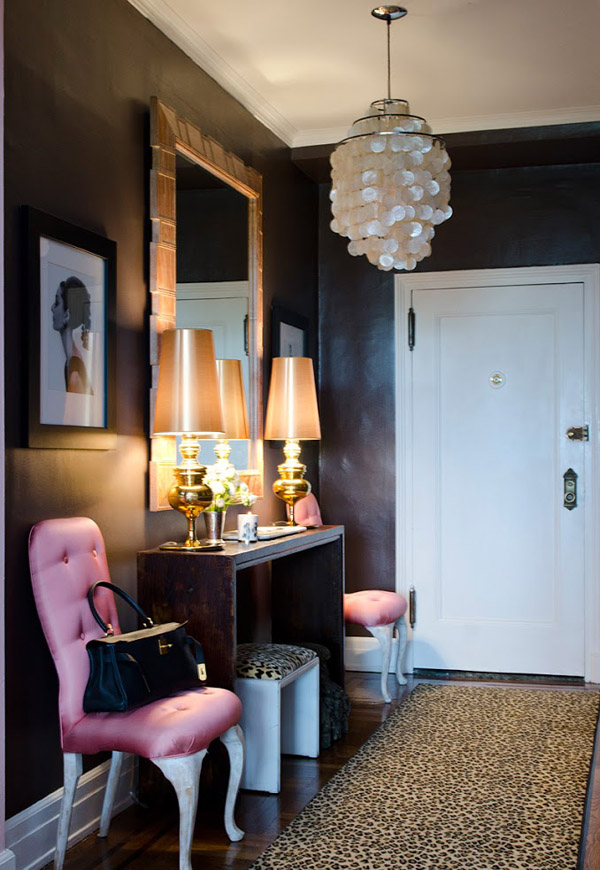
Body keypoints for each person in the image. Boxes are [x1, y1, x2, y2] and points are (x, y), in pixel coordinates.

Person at [51, 276, 94, 394]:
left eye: (57, 302)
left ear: (67, 315)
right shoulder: (72, 361)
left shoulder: (74, 374)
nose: (52, 308)